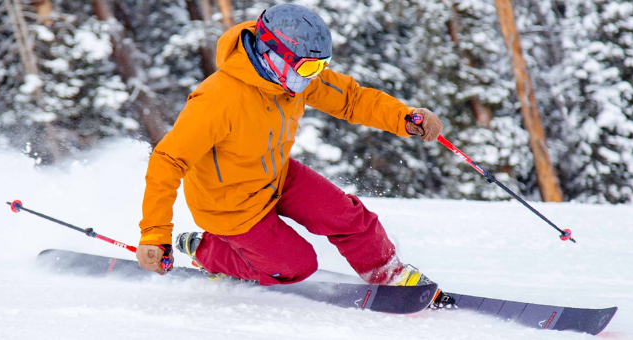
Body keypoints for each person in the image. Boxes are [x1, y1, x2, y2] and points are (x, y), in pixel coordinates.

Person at [131, 4, 446, 287]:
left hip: (276, 176)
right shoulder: (217, 100)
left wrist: (403, 117)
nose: (314, 77)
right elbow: (168, 160)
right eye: (309, 68)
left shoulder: (292, 78)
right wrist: (155, 235)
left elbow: (350, 98)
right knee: (297, 266)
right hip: (231, 207)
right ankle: (208, 251)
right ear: (271, 53)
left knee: (348, 217)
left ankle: (388, 275)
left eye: (320, 66)